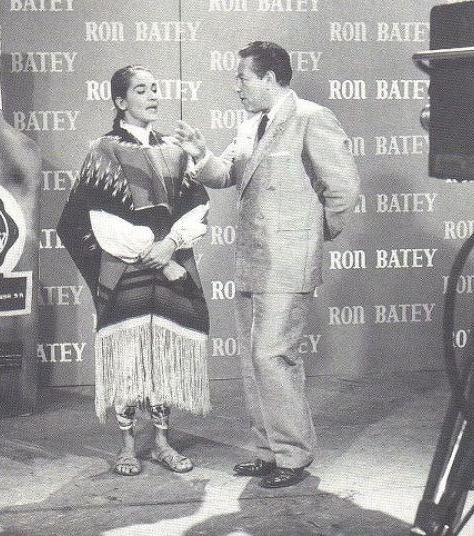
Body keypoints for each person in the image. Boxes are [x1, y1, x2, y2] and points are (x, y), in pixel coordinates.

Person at [173, 41, 360, 488]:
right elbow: (224, 176)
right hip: (253, 259)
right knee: (253, 359)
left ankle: (293, 456)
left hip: (288, 261)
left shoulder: (312, 119)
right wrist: (200, 153)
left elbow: (345, 189)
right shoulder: (249, 126)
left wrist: (314, 236)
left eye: (243, 77)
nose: (236, 86)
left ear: (270, 78)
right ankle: (268, 451)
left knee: (272, 355)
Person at [57, 65, 211, 477]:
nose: (153, 96)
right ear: (121, 102)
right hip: (125, 272)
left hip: (169, 261)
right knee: (129, 359)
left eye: (155, 89)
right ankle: (127, 444)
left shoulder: (175, 151)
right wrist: (154, 253)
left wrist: (171, 247)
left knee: (160, 357)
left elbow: (198, 208)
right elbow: (96, 222)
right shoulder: (104, 151)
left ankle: (161, 441)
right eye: (141, 90)